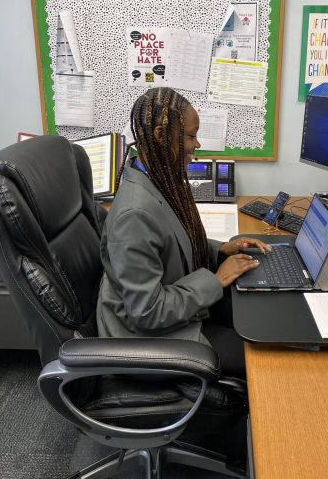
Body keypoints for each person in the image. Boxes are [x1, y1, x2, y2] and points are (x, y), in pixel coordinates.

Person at [96, 87, 271, 378]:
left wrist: (220, 250)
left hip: (176, 302)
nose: (197, 143)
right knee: (260, 358)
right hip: (146, 337)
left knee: (260, 315)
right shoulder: (134, 215)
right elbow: (147, 312)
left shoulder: (160, 177)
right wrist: (217, 279)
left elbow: (174, 244)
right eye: (190, 136)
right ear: (162, 137)